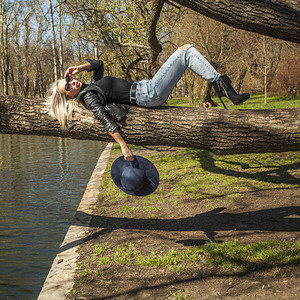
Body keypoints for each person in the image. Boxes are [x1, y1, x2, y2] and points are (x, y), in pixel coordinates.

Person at [47, 44, 249, 161]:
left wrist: (79, 68)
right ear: (71, 96)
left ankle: (222, 86)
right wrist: (124, 147)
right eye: (68, 87)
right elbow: (104, 119)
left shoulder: (91, 85)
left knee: (186, 51)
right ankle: (222, 86)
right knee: (186, 51)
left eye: (67, 80)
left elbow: (99, 64)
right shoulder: (88, 96)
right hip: (148, 93)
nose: (71, 83)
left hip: (146, 88)